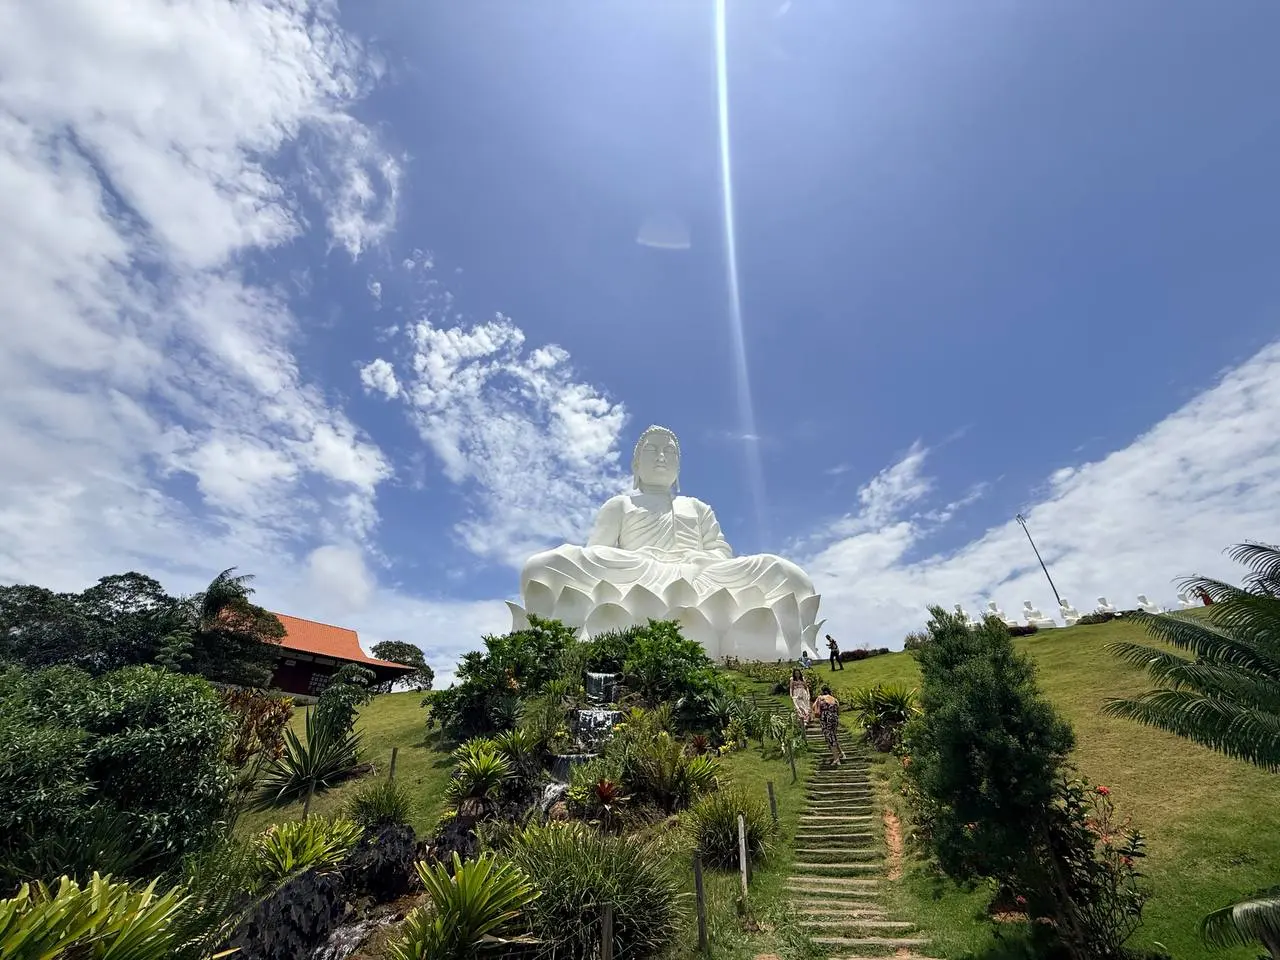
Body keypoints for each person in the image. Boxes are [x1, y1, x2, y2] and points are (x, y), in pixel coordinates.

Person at [813, 685, 845, 765]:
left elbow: (814, 707)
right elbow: (838, 710)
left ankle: (836, 758)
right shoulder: (834, 699)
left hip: (825, 718)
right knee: (833, 735)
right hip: (834, 718)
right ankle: (841, 753)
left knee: (830, 738)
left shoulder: (820, 698)